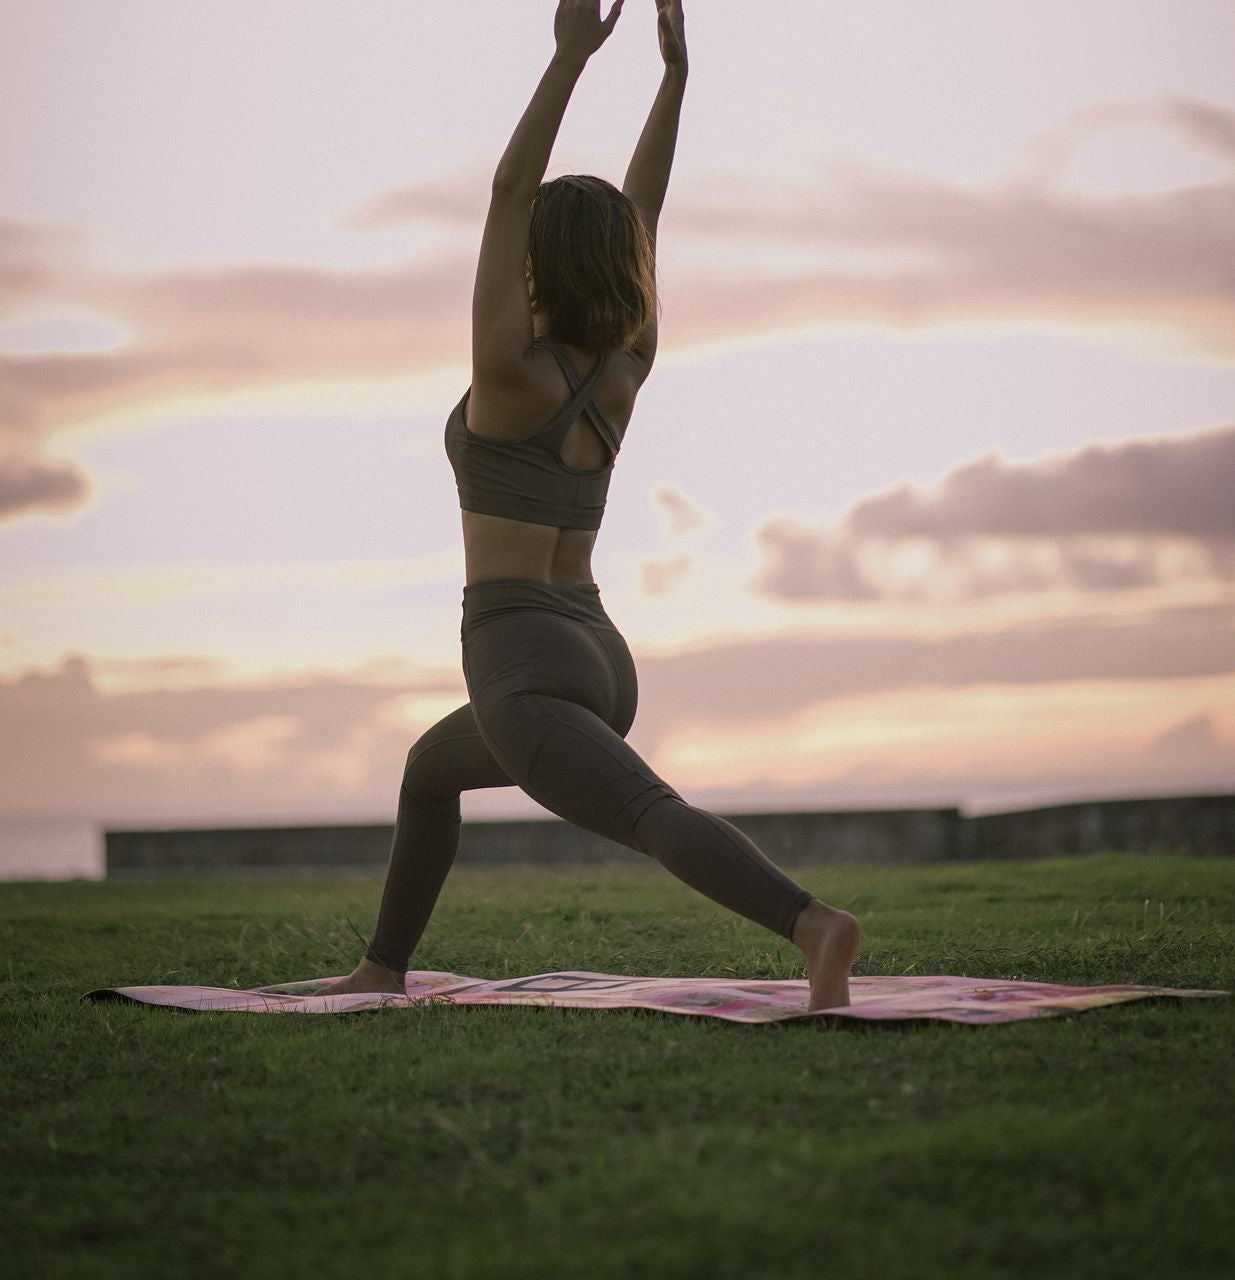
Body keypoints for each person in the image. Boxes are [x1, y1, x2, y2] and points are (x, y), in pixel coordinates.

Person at [326, 0, 860, 1013]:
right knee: (429, 771)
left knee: (649, 813)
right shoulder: (626, 364)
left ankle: (811, 924)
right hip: (599, 655)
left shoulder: (508, 375)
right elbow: (643, 214)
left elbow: (508, 190)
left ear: (538, 259)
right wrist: (672, 80)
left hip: (520, 656)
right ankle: (382, 965)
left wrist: (570, 58)